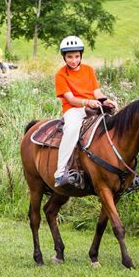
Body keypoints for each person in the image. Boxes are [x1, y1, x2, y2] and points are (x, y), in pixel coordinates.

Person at [54, 35, 117, 188]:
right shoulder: (60, 75)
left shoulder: (89, 70)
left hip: (93, 105)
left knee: (117, 123)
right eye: (70, 57)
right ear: (64, 57)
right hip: (74, 109)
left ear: (81, 55)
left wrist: (106, 100)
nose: (73, 60)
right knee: (71, 130)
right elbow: (70, 99)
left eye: (76, 56)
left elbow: (97, 92)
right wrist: (87, 102)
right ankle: (60, 173)